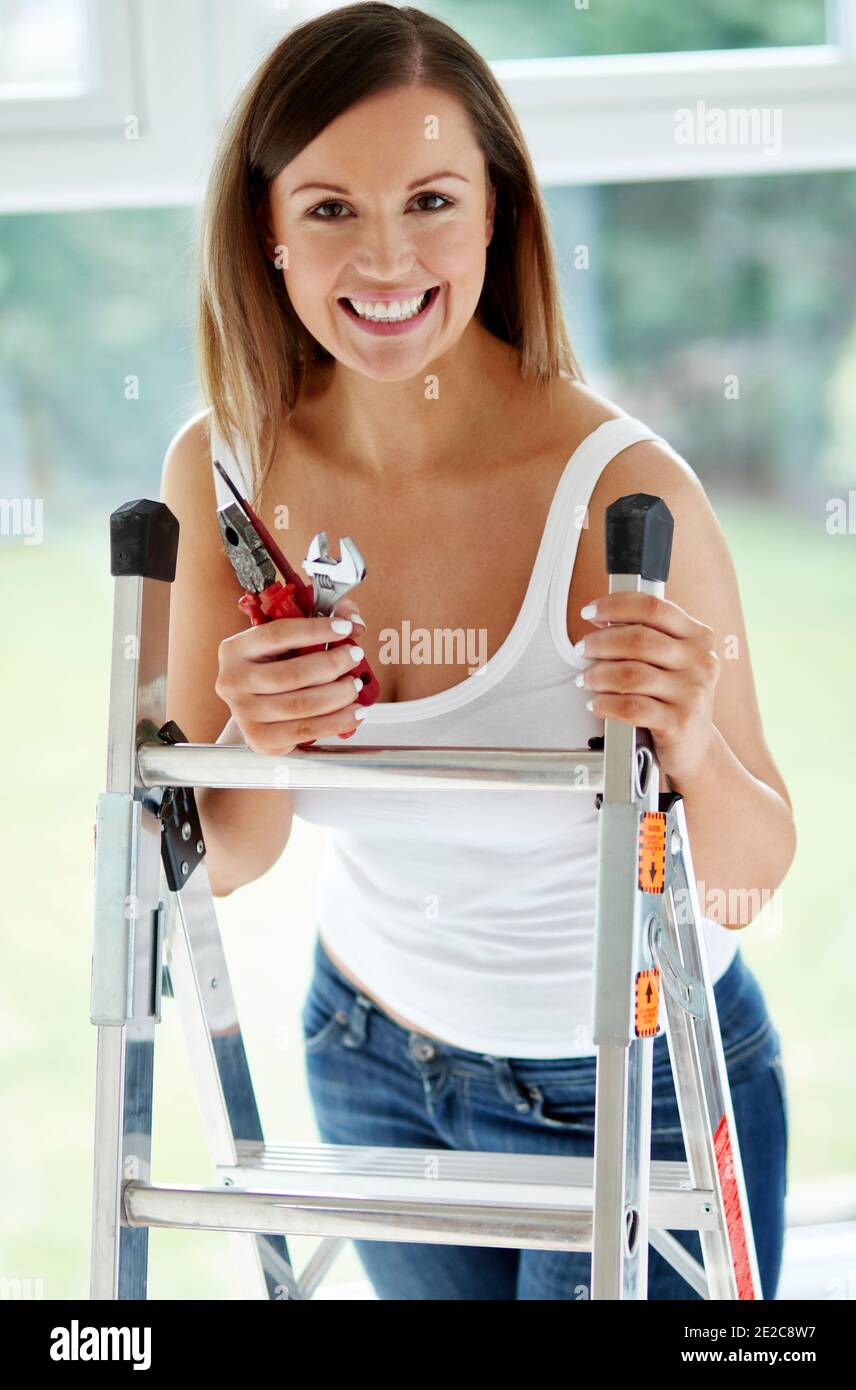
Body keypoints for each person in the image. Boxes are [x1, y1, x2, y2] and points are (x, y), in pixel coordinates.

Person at [161, 2, 795, 1300]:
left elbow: (741, 884)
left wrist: (688, 743)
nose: (384, 257)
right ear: (265, 229)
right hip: (371, 1057)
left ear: (497, 213)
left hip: (638, 1079)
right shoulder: (222, 471)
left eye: (431, 199)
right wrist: (243, 742)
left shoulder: (624, 493)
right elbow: (221, 856)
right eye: (330, 207)